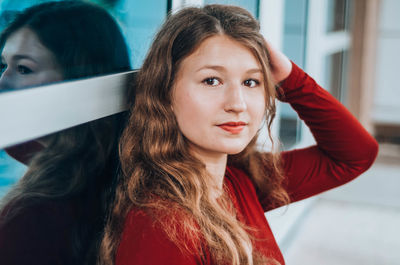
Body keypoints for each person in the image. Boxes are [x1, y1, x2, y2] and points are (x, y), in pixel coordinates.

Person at [99, 4, 378, 265]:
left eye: (251, 82)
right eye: (212, 80)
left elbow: (355, 155)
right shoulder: (163, 224)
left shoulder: (239, 180)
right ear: (166, 92)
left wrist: (291, 77)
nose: (237, 103)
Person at [0, 1, 131, 265]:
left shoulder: (34, 216)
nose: (3, 82)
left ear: (75, 83)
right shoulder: (110, 166)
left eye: (23, 68)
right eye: (3, 65)